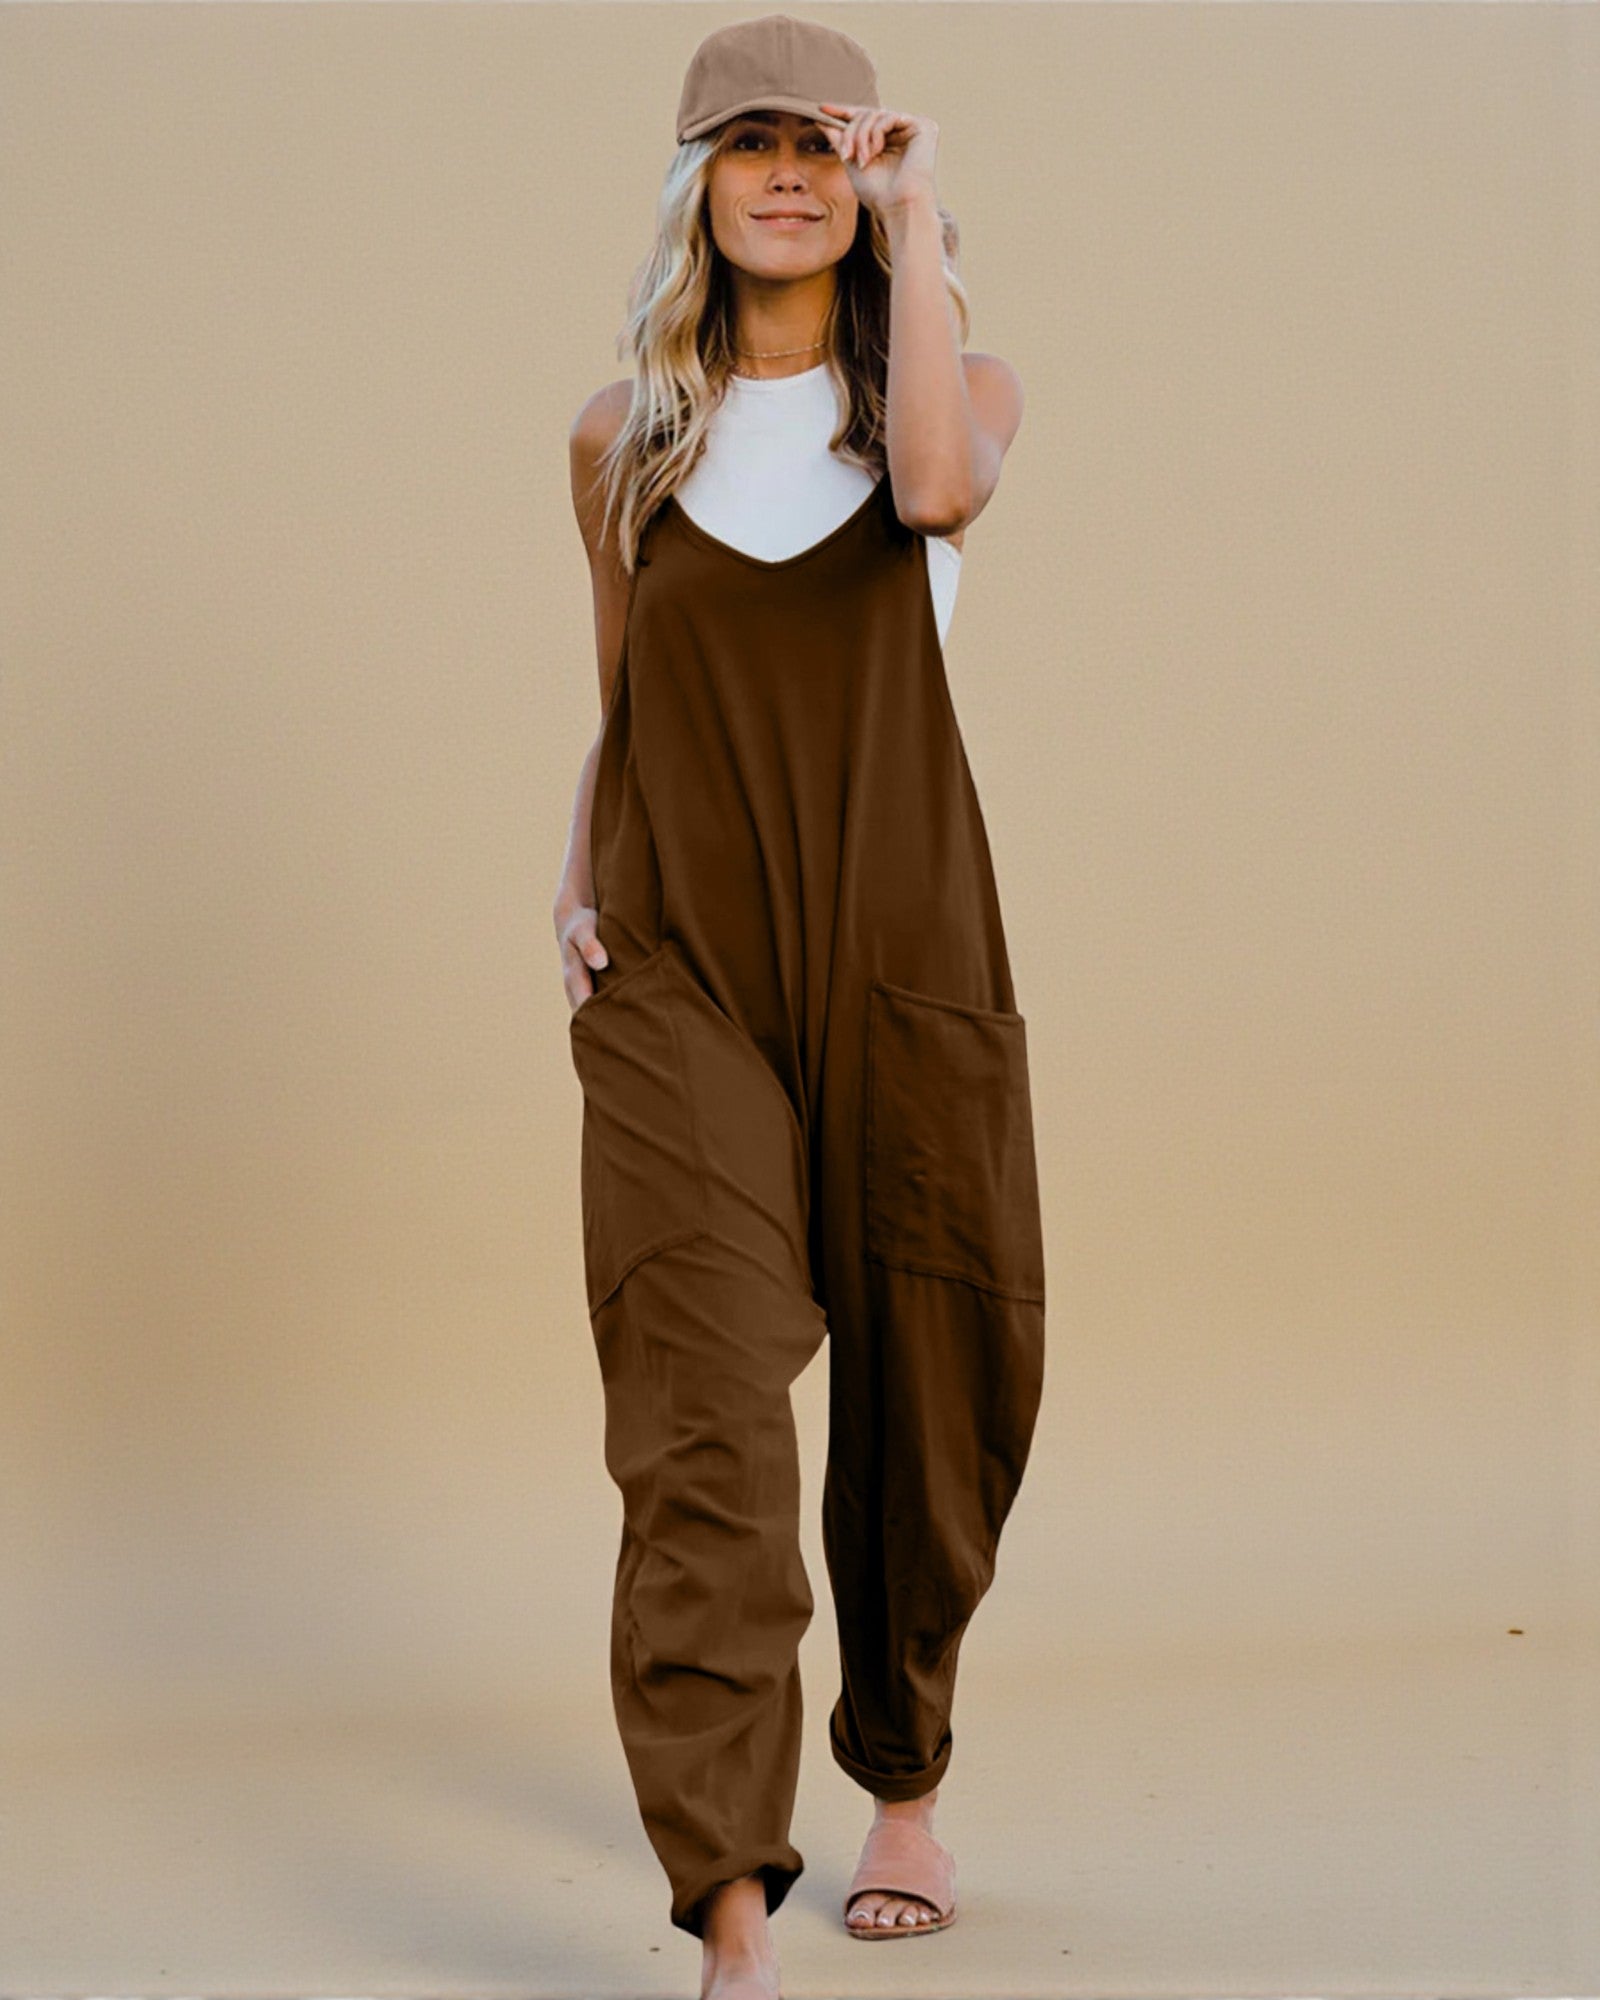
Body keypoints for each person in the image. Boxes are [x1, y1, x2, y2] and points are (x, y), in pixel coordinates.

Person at [552, 16, 1047, 1998]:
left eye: (818, 147)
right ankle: (730, 1908)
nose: (783, 175)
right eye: (742, 145)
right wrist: (574, 871)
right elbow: (625, 700)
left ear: (865, 178)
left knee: (936, 1380)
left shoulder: (947, 381)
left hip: (899, 942)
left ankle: (901, 1768)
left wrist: (915, 219)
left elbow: (934, 492)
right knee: (696, 1414)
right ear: (694, 183)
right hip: (679, 955)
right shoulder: (619, 436)